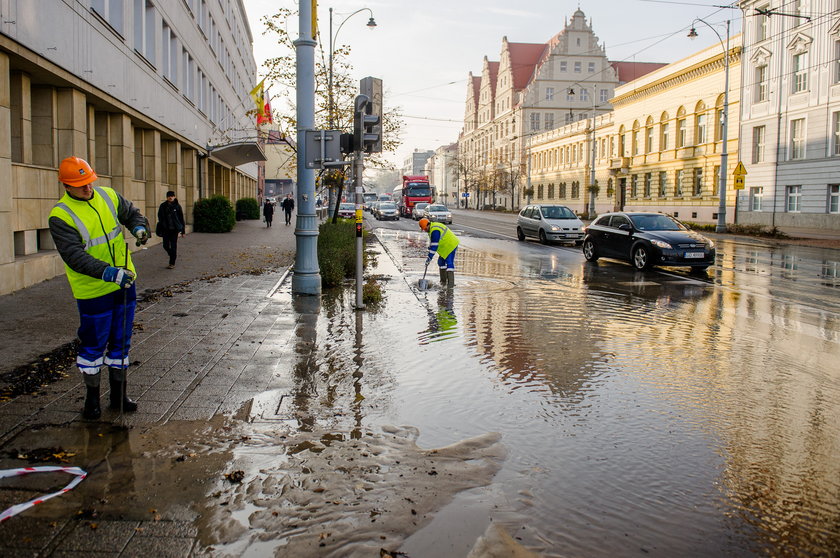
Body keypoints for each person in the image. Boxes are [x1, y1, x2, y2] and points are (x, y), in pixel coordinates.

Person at [48, 156, 150, 420]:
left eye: (89, 182)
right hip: (93, 290)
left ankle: (118, 396)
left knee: (121, 340)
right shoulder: (61, 215)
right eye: (80, 185)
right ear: (66, 185)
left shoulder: (107, 196)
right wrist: (107, 272)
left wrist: (140, 228)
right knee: (93, 344)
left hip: (124, 282)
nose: (88, 188)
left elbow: (132, 214)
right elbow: (73, 255)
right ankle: (91, 400)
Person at [418, 218, 459, 286]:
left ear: (428, 225)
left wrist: (429, 258)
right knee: (441, 262)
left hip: (450, 245)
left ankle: (451, 284)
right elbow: (434, 243)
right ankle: (443, 282)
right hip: (445, 247)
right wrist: (430, 248)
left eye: (425, 229)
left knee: (449, 263)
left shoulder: (435, 230)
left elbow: (434, 246)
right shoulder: (432, 229)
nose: (425, 231)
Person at [156, 190, 185, 268]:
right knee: (165, 245)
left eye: (172, 196)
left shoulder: (177, 206)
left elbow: (181, 218)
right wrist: (163, 224)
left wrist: (183, 230)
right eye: (169, 196)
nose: (170, 197)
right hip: (166, 229)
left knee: (173, 245)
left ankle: (172, 263)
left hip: (174, 230)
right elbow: (160, 216)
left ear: (174, 197)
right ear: (167, 197)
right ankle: (171, 254)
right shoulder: (163, 206)